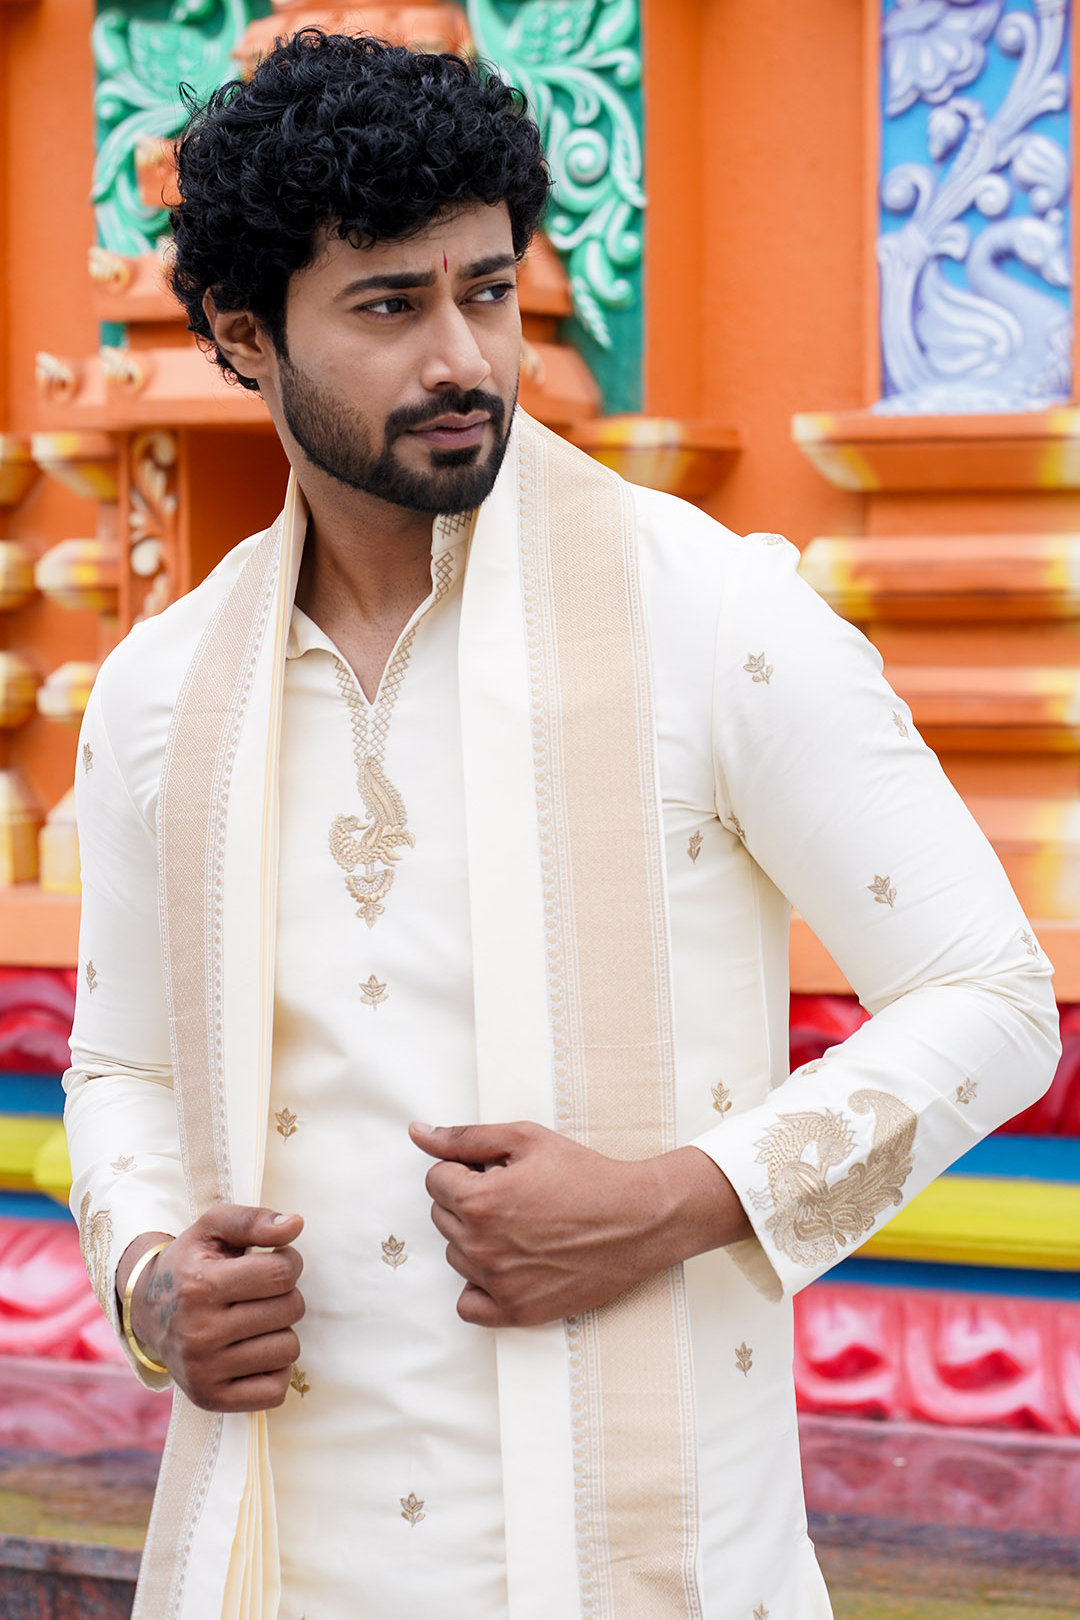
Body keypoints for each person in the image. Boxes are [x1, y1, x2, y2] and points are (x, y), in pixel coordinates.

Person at [63, 29, 1060, 1620]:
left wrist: (671, 1200)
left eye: (488, 290)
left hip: (640, 1567)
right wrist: (147, 1281)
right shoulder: (161, 691)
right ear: (249, 341)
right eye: (391, 306)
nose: (464, 355)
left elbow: (995, 999)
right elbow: (123, 1066)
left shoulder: (713, 611)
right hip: (280, 1560)